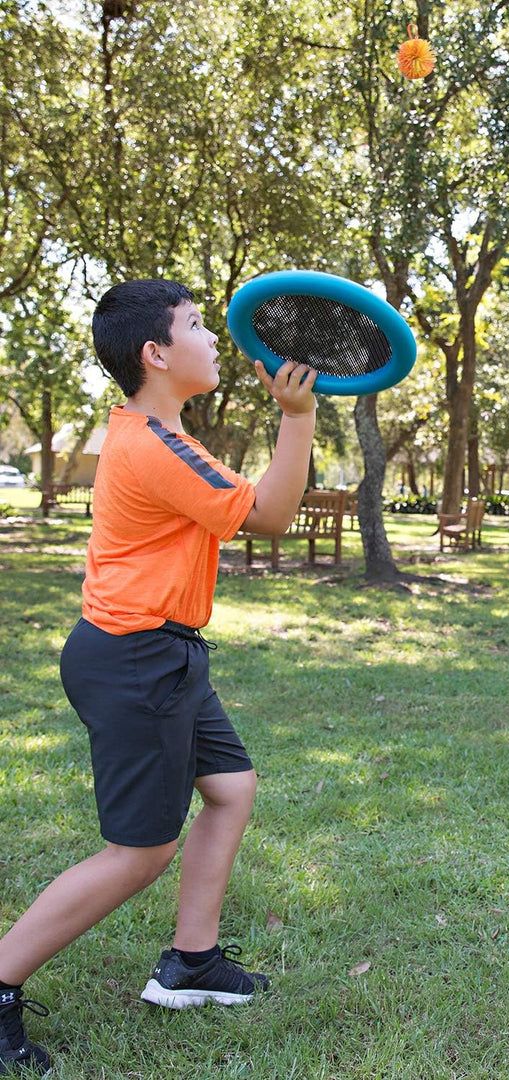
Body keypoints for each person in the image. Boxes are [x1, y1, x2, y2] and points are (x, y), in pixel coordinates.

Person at [0, 279, 316, 1074]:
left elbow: (248, 507)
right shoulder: (151, 442)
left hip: (160, 653)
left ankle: (191, 963)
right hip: (138, 657)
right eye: (199, 325)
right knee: (139, 852)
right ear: (156, 353)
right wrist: (298, 417)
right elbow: (270, 517)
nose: (213, 338)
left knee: (231, 789)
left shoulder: (159, 434)